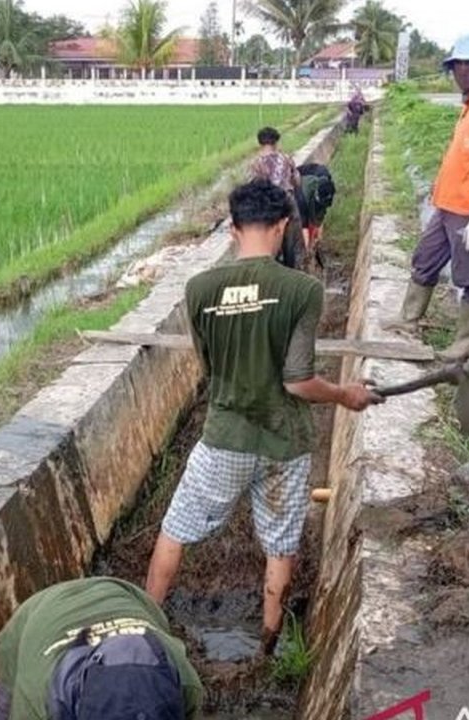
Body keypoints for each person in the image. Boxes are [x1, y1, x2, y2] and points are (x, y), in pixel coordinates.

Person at [144, 179, 382, 655]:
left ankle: (145, 630)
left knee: (176, 528)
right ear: (282, 226)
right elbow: (298, 382)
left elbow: (209, 367)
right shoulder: (301, 290)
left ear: (233, 228)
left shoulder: (200, 289)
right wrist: (344, 395)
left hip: (224, 437)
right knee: (279, 543)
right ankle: (269, 643)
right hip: (283, 443)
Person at [384, 34, 469, 360]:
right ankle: (409, 319)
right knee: (425, 260)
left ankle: (467, 343)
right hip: (447, 204)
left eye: (467, 65)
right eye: (456, 64)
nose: (460, 71)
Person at [0, 577, 203, 720]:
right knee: (2, 709)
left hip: (124, 596)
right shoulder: (37, 700)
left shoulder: (186, 684)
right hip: (41, 615)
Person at [248, 126, 307, 269]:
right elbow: (297, 181)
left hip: (268, 204)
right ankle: (294, 270)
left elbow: (253, 187)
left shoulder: (256, 163)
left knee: (268, 241)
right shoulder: (286, 158)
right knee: (292, 241)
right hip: (287, 200)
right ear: (276, 142)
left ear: (260, 143)